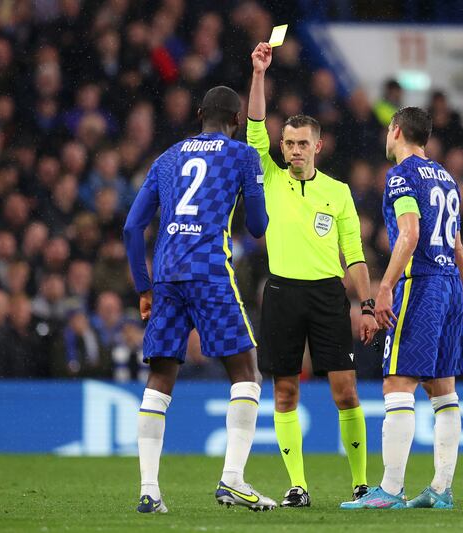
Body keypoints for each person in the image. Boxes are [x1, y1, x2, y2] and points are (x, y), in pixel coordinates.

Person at [123, 85, 276, 513]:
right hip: (209, 270)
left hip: (168, 276)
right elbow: (260, 226)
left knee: (160, 380)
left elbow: (133, 229)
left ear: (197, 114)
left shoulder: (167, 158)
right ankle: (232, 481)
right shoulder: (242, 154)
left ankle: (149, 491)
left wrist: (143, 287)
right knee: (246, 374)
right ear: (237, 120)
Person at [247, 42, 378, 508]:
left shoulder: (339, 193)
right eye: (290, 143)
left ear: (318, 146)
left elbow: (355, 257)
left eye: (304, 143)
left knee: (346, 390)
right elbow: (255, 125)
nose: (296, 149)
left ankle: (361, 483)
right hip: (281, 291)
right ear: (281, 147)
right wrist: (260, 73)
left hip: (326, 294)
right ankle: (297, 485)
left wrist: (364, 305)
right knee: (284, 389)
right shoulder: (268, 174)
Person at [342, 107, 463, 510]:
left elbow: (411, 232)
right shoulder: (447, 178)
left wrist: (385, 287)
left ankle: (391, 490)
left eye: (388, 129)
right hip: (451, 285)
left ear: (397, 131)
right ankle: (440, 489)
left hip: (421, 285)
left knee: (397, 384)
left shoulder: (402, 175)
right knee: (443, 390)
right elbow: (457, 248)